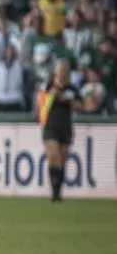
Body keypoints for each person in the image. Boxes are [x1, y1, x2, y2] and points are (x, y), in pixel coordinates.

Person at [37, 59, 85, 202]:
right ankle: (54, 192)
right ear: (55, 72)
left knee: (63, 159)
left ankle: (57, 193)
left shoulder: (72, 89)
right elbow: (40, 102)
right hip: (50, 126)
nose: (62, 73)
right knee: (53, 156)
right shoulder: (48, 85)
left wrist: (69, 101)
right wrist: (52, 95)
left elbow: (81, 106)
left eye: (65, 71)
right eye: (60, 70)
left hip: (65, 127)